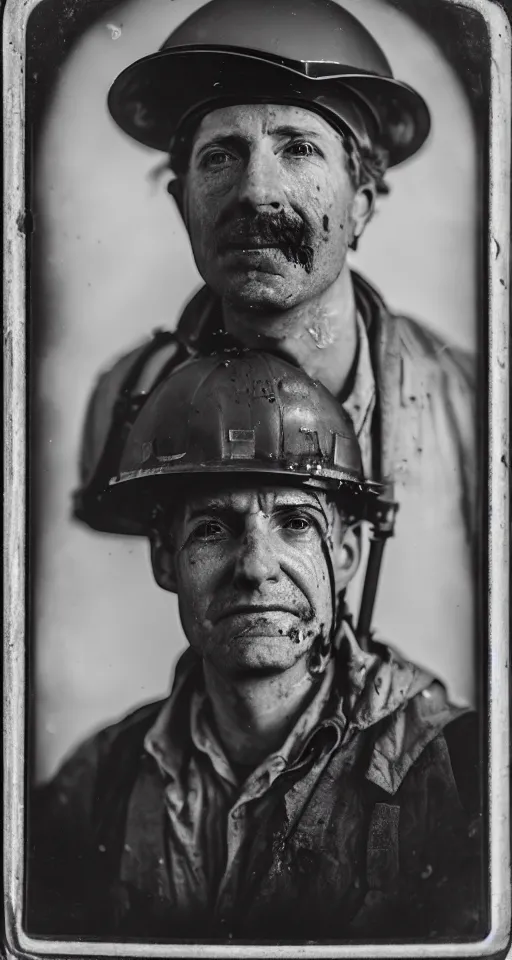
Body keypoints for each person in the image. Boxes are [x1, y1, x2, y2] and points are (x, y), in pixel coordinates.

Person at [73, 0, 476, 675]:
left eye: (299, 148)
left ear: (362, 207)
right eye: (222, 155)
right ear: (182, 205)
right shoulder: (129, 398)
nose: (257, 191)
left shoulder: (474, 405)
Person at [28, 353, 483, 941]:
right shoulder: (97, 784)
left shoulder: (462, 772)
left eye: (295, 522)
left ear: (346, 556)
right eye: (213, 528)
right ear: (166, 559)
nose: (255, 568)